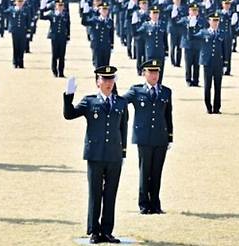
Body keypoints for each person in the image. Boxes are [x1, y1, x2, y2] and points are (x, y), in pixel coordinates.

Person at [63, 66, 128, 244]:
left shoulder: (121, 103)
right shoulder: (90, 101)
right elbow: (69, 115)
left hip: (114, 155)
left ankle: (107, 230)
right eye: (104, 79)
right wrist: (68, 96)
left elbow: (123, 128)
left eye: (111, 79)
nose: (108, 83)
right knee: (95, 193)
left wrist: (123, 153)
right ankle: (94, 231)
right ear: (97, 82)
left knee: (110, 194)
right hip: (95, 155)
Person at [121, 59, 173, 215]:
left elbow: (168, 115)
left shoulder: (165, 91)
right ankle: (144, 204)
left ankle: (155, 204)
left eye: (156, 72)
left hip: (160, 137)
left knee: (157, 172)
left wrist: (170, 136)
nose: (154, 75)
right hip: (143, 137)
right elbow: (121, 102)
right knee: (145, 171)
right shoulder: (137, 91)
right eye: (151, 72)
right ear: (144, 73)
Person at [195, 13, 227, 114]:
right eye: (213, 21)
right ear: (209, 21)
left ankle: (217, 107)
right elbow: (191, 37)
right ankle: (208, 106)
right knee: (207, 85)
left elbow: (225, 49)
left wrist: (226, 63)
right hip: (207, 63)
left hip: (218, 63)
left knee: (218, 86)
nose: (215, 23)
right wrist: (191, 27)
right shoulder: (203, 32)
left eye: (217, 21)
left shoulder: (222, 33)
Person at [39, 0, 71, 77]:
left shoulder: (65, 15)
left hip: (63, 37)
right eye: (58, 5)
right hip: (54, 37)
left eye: (61, 5)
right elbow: (42, 17)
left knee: (62, 56)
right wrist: (42, 8)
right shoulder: (52, 14)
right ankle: (54, 71)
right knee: (54, 55)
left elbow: (68, 25)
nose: (60, 7)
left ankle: (61, 72)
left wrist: (68, 36)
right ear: (55, 6)